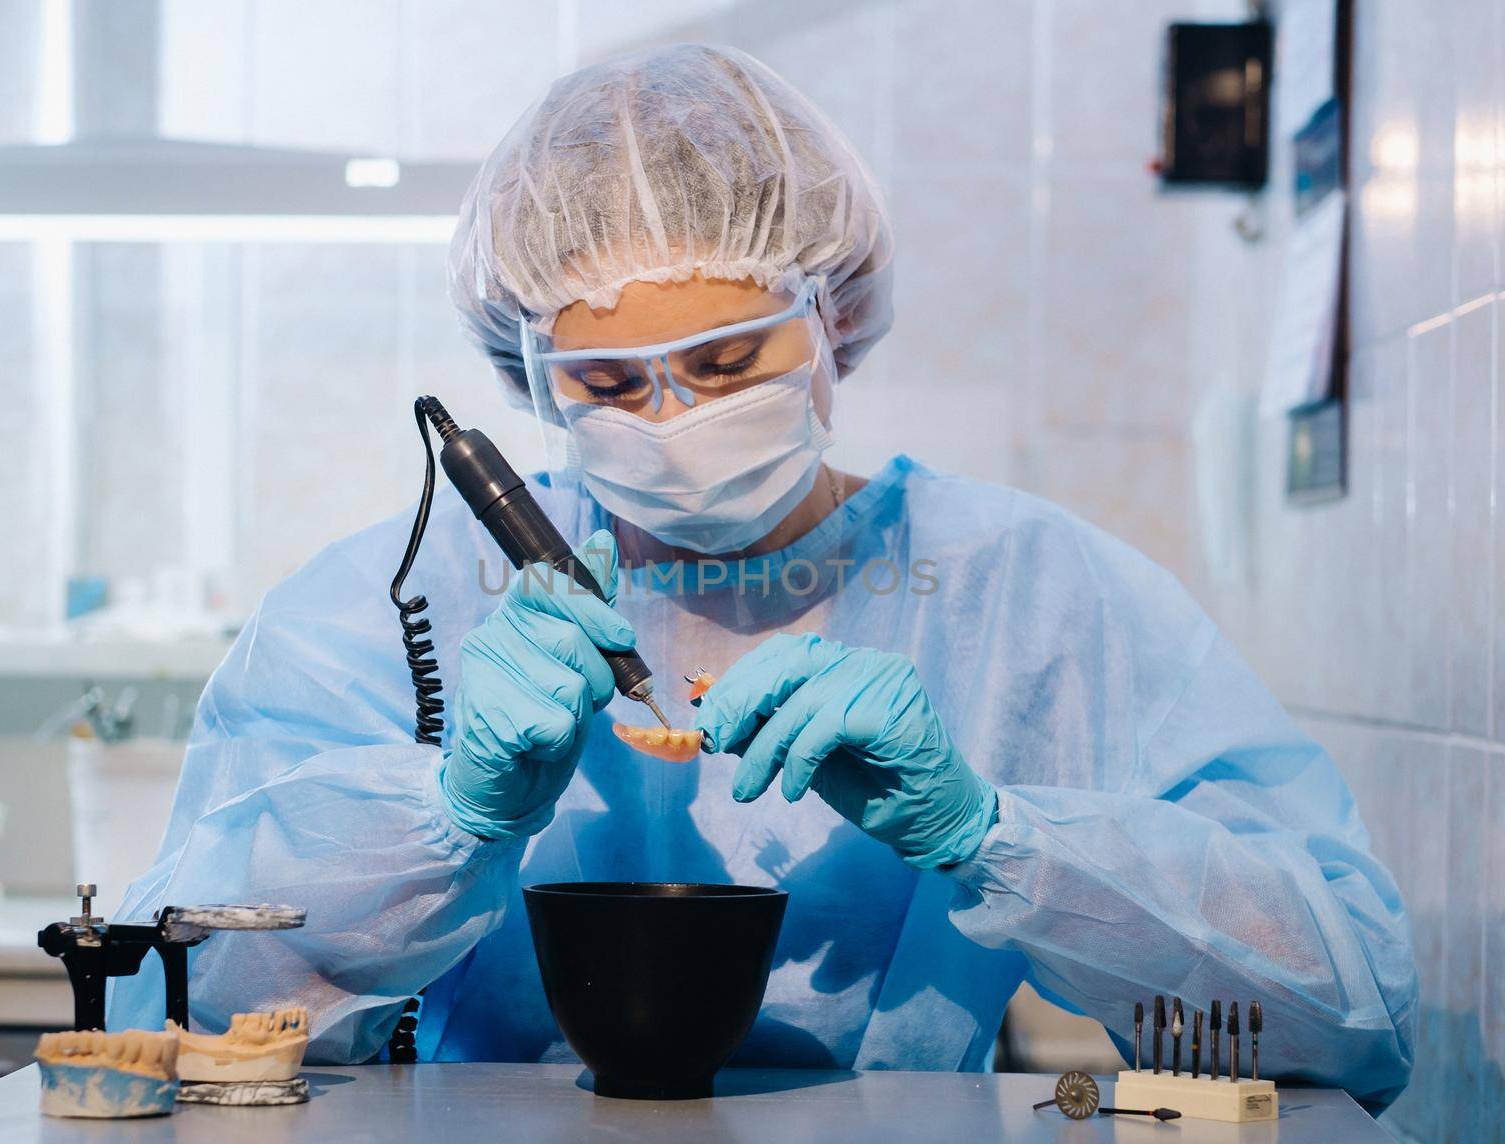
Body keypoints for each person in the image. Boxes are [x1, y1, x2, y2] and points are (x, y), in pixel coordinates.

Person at [109, 43, 1414, 1109]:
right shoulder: (402, 602)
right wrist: (439, 824)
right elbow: (164, 1009)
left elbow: (1349, 1008)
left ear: (835, 320)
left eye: (729, 363)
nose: (676, 417)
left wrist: (998, 838)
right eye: (612, 385)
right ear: (530, 379)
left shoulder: (1021, 594)